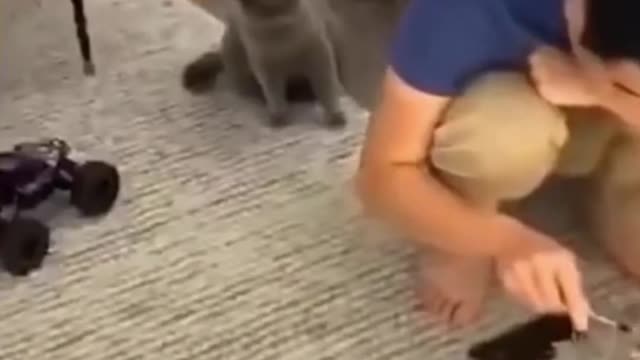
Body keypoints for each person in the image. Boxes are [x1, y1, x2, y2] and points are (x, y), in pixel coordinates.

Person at [355, 0, 640, 332]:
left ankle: (617, 187)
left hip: (602, 105)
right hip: (508, 106)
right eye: (626, 88)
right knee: (504, 134)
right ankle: (464, 216)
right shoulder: (462, 12)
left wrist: (607, 96)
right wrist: (503, 242)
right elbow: (381, 175)